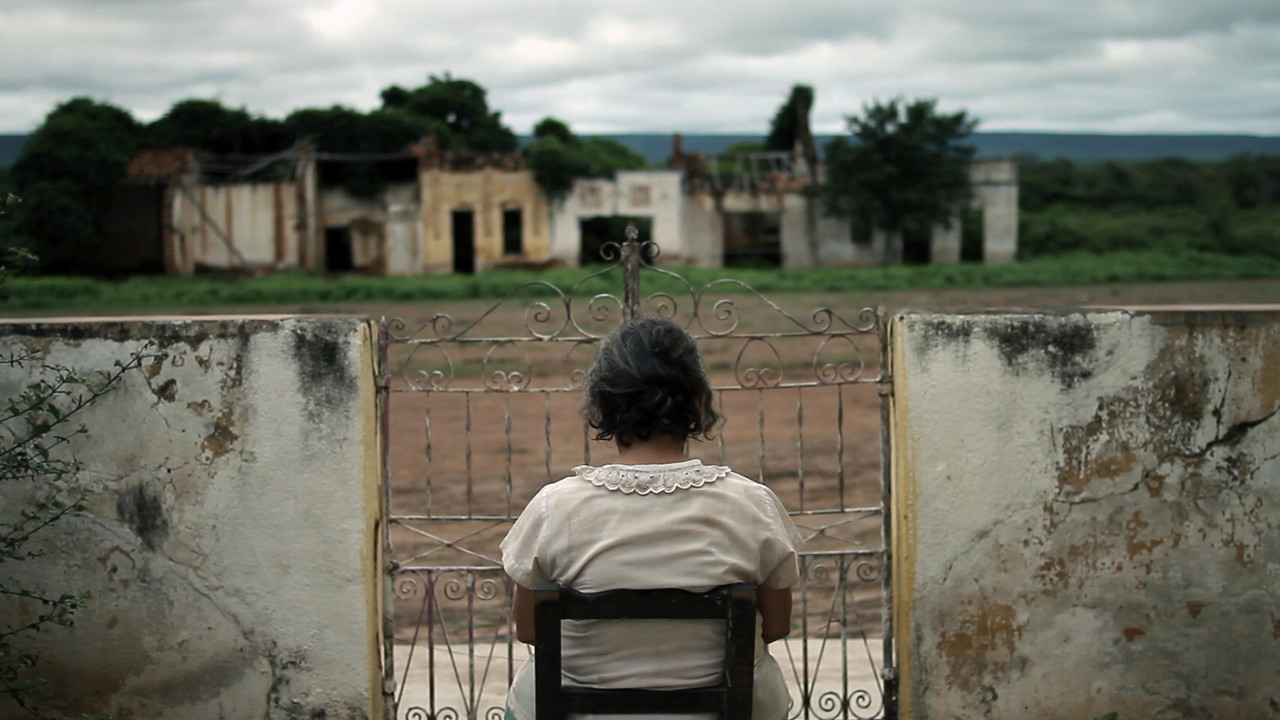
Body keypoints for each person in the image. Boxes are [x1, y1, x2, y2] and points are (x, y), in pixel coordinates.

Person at [500, 317, 803, 720]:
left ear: (603, 406)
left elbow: (529, 630)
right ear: (698, 402)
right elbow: (776, 627)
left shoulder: (554, 508)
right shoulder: (752, 505)